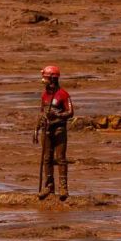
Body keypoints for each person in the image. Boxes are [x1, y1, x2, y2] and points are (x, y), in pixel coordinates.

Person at [35, 65, 73, 200]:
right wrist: (36, 129)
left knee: (61, 158)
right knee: (47, 159)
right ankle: (49, 186)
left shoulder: (63, 94)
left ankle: (63, 187)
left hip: (59, 130)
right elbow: (41, 113)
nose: (43, 80)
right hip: (46, 131)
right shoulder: (44, 95)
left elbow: (70, 112)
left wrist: (58, 115)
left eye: (45, 78)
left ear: (52, 78)